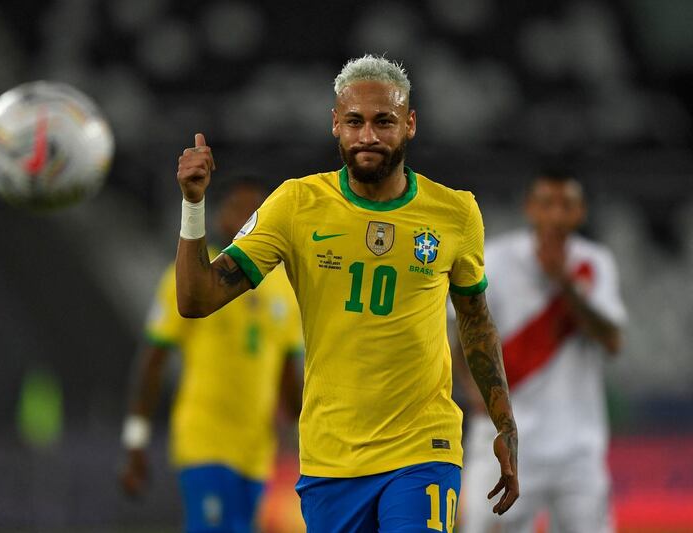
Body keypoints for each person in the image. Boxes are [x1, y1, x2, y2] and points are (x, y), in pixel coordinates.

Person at [173, 54, 519, 532]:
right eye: (355, 121)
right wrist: (194, 205)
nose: (369, 136)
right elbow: (196, 300)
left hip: (423, 447)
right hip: (331, 457)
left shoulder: (456, 213)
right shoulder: (296, 206)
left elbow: (476, 322)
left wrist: (505, 423)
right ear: (335, 124)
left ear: (410, 124)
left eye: (385, 121)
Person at [118, 179, 304, 533]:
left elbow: (287, 380)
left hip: (255, 452)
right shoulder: (191, 281)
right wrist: (136, 439)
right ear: (222, 218)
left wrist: (306, 440)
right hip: (204, 440)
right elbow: (153, 360)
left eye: (259, 211)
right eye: (241, 209)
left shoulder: (286, 289)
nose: (251, 217)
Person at [454, 170, 627, 532]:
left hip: (578, 447)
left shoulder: (593, 263)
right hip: (506, 440)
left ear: (580, 212)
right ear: (530, 208)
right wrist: (476, 396)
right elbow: (461, 332)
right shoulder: (496, 260)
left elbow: (612, 340)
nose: (556, 216)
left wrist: (566, 285)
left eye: (567, 205)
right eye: (547, 204)